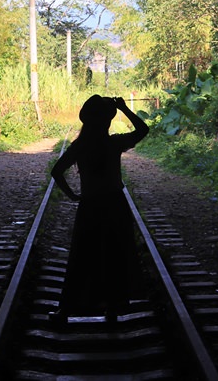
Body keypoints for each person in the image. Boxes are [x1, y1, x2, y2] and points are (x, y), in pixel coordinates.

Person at [49, 95, 150, 321]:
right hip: (115, 205)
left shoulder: (80, 146)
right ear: (107, 122)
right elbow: (143, 130)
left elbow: (56, 172)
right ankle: (112, 308)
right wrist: (124, 108)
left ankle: (65, 310)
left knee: (82, 256)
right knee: (114, 255)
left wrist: (73, 195)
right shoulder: (113, 143)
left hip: (90, 206)